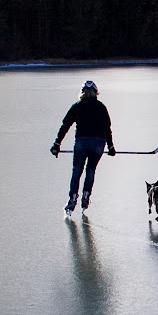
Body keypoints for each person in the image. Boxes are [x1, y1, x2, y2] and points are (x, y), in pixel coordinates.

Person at [51, 79, 115, 214]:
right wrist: (110, 146)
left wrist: (57, 144)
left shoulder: (77, 106)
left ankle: (72, 199)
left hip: (82, 142)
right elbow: (107, 127)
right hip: (99, 143)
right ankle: (86, 196)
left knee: (77, 170)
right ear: (96, 93)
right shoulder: (101, 107)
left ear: (82, 93)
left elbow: (65, 125)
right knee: (90, 170)